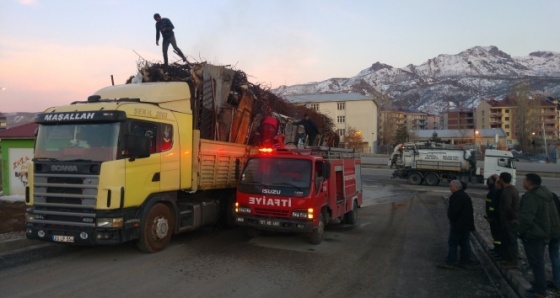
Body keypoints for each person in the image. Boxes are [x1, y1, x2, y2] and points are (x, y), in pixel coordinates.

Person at [519, 173, 560, 297]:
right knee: (549, 258)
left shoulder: (531, 197)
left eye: (524, 180)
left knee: (537, 263)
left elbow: (526, 218)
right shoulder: (546, 193)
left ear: (529, 182)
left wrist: (520, 232)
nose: (523, 183)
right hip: (551, 231)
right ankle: (547, 284)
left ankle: (540, 292)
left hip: (536, 234)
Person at [438, 180, 475, 269]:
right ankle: (465, 261)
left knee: (453, 243)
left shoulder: (456, 197)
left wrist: (451, 218)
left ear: (456, 187)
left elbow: (454, 211)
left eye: (451, 186)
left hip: (458, 225)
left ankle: (450, 262)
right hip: (466, 225)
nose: (450, 188)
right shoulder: (465, 196)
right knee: (464, 243)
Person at [497, 172, 520, 269]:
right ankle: (510, 259)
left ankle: (512, 261)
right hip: (513, 218)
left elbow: (507, 206)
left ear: (502, 180)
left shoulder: (507, 191)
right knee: (512, 240)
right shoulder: (514, 189)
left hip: (509, 220)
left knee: (509, 240)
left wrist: (511, 219)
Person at [484, 174, 502, 255]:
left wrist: (490, 216)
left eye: (490, 180)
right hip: (494, 216)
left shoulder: (494, 191)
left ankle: (498, 250)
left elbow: (491, 206)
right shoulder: (494, 190)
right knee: (495, 234)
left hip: (494, 217)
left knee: (496, 234)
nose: (488, 182)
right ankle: (496, 249)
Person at [548, 192, 560, 290]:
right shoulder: (554, 198)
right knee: (555, 256)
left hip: (547, 232)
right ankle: (557, 281)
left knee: (538, 258)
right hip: (557, 232)